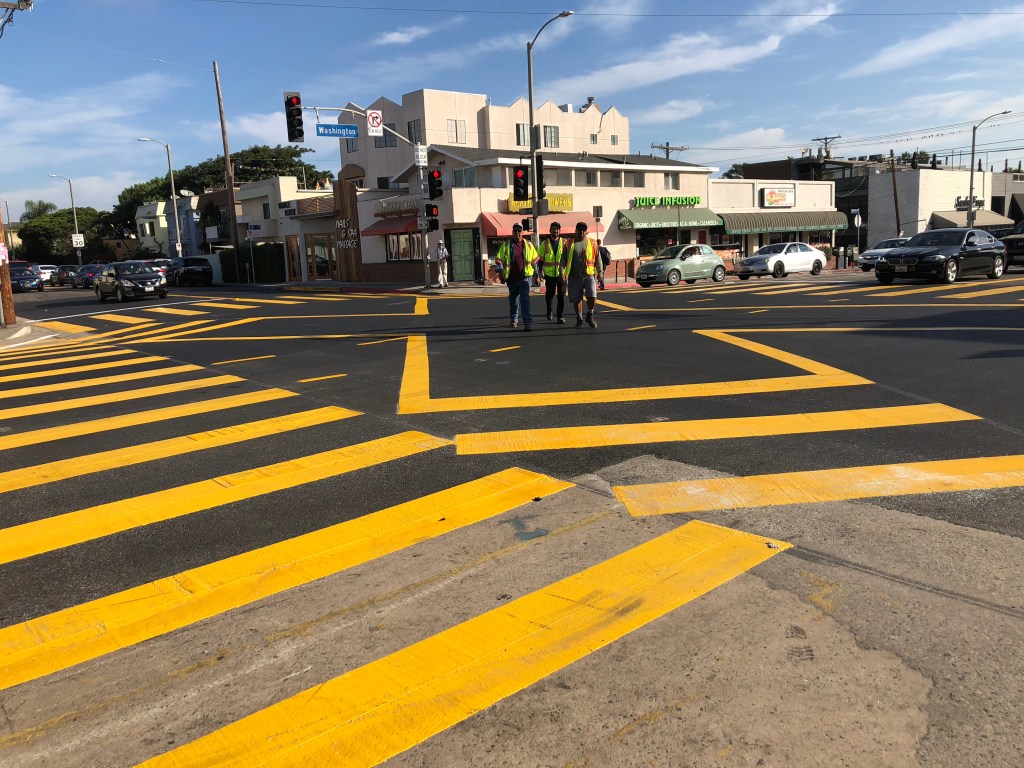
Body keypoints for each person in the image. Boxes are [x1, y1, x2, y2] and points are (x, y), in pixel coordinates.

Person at [495, 223, 539, 330]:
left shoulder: (528, 245)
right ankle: (514, 318)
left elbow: (534, 262)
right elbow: (499, 260)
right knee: (513, 300)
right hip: (512, 279)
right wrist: (501, 273)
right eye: (515, 231)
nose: (517, 233)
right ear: (512, 232)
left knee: (525, 299)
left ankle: (527, 322)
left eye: (519, 231)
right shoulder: (506, 245)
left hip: (525, 278)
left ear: (522, 232)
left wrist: (537, 275)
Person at [561, 221, 603, 328]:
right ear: (575, 231)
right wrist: (562, 272)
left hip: (589, 275)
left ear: (586, 231)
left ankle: (590, 315)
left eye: (584, 230)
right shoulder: (569, 243)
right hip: (574, 276)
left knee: (592, 295)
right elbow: (563, 259)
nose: (582, 232)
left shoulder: (593, 243)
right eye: (580, 230)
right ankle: (579, 318)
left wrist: (600, 272)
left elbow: (598, 259)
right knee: (577, 299)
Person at [538, 221, 568, 323]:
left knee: (561, 296)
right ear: (550, 230)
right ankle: (549, 310)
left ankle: (560, 316)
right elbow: (540, 261)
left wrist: (566, 272)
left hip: (562, 275)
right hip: (549, 275)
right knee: (549, 295)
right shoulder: (544, 243)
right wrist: (539, 273)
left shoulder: (565, 243)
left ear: (560, 231)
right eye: (554, 229)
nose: (555, 230)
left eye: (557, 229)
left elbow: (569, 260)